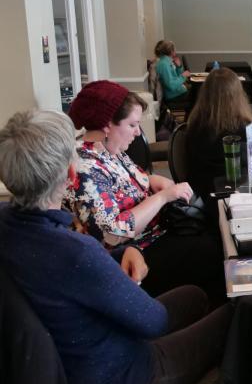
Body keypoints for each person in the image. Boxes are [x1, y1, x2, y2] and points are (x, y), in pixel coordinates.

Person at [0, 109, 232, 384]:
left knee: (193, 296)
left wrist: (128, 248)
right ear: (70, 175)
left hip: (83, 361)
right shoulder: (74, 252)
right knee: (236, 314)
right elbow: (152, 321)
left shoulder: (9, 223)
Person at [63, 80, 225, 299]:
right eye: (132, 125)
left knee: (218, 230)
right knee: (214, 251)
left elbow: (125, 182)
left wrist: (151, 180)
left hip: (153, 236)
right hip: (129, 257)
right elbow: (111, 233)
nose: (138, 132)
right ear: (107, 124)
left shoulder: (109, 150)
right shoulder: (85, 168)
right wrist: (162, 197)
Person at [186, 68, 252, 217]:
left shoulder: (194, 124)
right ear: (237, 95)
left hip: (202, 194)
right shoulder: (242, 127)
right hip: (233, 201)